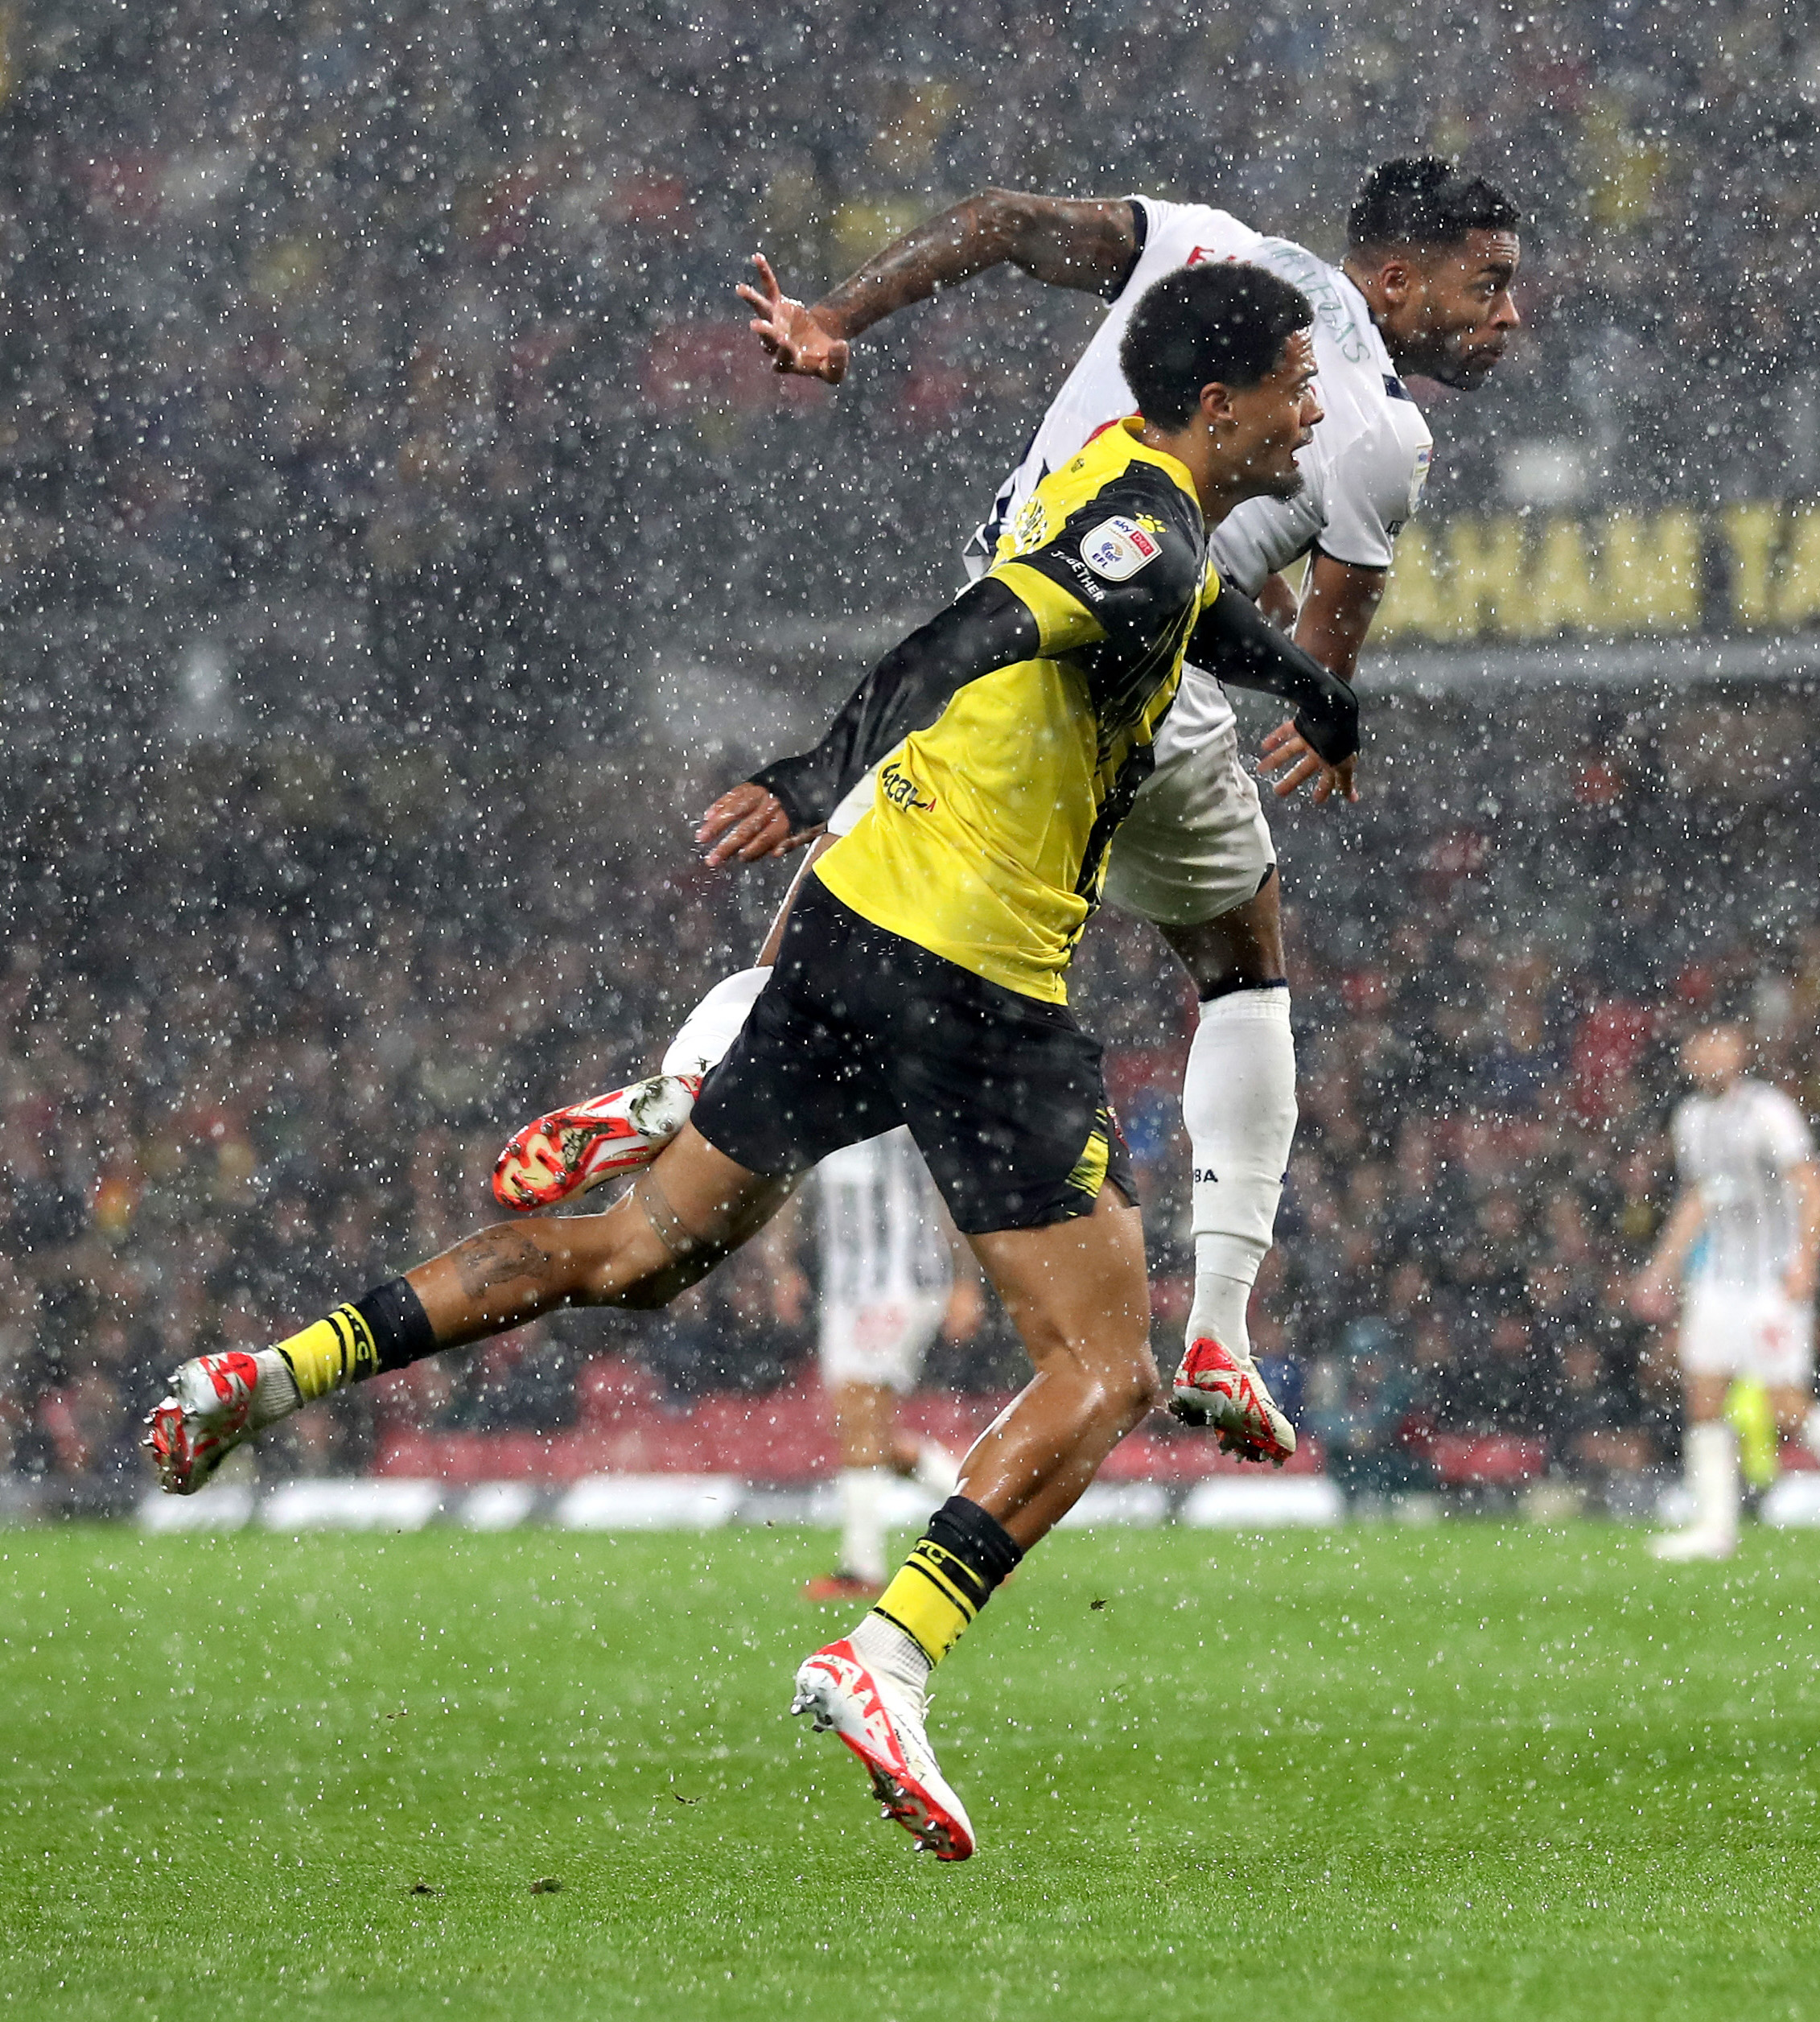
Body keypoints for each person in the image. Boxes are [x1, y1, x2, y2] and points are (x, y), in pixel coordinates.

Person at [148, 263, 1357, 1862]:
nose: (1314, 405)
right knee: (1104, 1365)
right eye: (1292, 380)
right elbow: (982, 625)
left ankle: (263, 1372)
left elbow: (1185, 604)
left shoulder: (1126, 488)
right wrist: (812, 765)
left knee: (639, 1248)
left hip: (856, 929)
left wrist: (1311, 684)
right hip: (978, 977)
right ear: (1220, 404)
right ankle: (888, 1649)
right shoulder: (1135, 540)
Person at [492, 159, 1524, 1471]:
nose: (1507, 315)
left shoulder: (1194, 246)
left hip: (997, 651)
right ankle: (1216, 1326)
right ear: (1393, 276)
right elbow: (1318, 652)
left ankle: (679, 1082)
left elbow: (995, 226)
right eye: (1485, 284)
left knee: (818, 951)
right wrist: (1322, 717)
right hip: (1150, 688)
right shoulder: (1377, 428)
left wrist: (834, 320)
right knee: (1243, 965)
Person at [1633, 1023, 1820, 1563]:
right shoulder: (1690, 1119)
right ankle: (1715, 1528)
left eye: (1719, 1043)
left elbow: (1813, 1185)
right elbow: (1700, 1196)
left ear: (1738, 1050)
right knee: (1703, 1395)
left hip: (1770, 1280)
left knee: (1787, 1408)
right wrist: (1662, 1267)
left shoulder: (1768, 1111)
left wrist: (1806, 1261)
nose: (1709, 1055)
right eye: (1699, 1044)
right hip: (1718, 1278)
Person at [803, 1128, 984, 1602]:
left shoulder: (898, 1098)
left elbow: (951, 1188)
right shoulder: (815, 1093)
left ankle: (861, 1568)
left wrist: (967, 1280)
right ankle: (986, 1533)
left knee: (861, 1414)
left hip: (902, 1280)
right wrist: (781, 1266)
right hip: (843, 1287)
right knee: (866, 1433)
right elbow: (796, 1192)